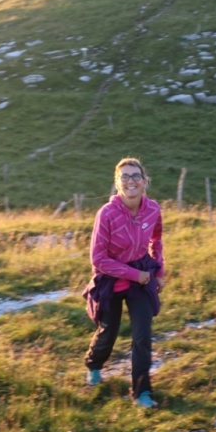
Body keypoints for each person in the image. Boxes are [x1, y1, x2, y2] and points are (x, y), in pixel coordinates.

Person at [82, 157, 165, 409]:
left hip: (141, 276)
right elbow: (98, 258)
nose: (131, 181)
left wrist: (158, 270)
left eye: (136, 176)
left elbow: (156, 240)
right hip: (110, 279)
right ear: (117, 183)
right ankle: (94, 364)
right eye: (125, 177)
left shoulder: (153, 209)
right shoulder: (106, 214)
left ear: (144, 181)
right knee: (109, 330)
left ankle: (142, 391)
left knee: (143, 335)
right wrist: (133, 274)